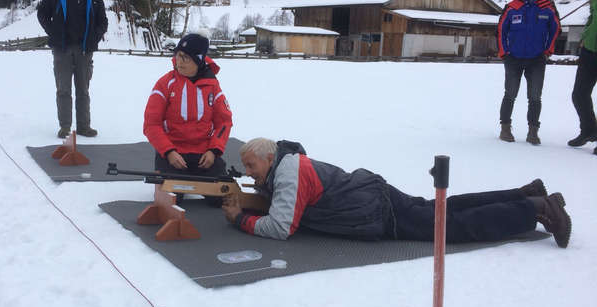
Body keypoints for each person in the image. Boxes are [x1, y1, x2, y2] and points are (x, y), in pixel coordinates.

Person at [221, 138, 572, 248]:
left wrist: (242, 220)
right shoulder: (285, 164)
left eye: (251, 166)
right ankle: (525, 193)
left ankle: (537, 209)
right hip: (373, 195)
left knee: (451, 228)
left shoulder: (288, 174)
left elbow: (282, 228)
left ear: (270, 158)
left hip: (373, 210)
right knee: (442, 209)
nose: (249, 172)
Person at [143, 33, 234, 203]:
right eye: (178, 55)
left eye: (185, 58)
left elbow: (224, 122)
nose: (179, 61)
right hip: (173, 155)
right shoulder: (165, 83)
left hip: (203, 156)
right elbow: (151, 124)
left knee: (221, 198)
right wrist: (169, 152)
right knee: (172, 198)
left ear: (199, 60)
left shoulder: (213, 87)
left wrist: (213, 151)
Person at [37, 0, 108, 138]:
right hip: (61, 50)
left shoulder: (95, 1)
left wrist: (94, 38)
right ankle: (65, 127)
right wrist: (53, 32)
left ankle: (84, 127)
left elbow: (103, 22)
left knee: (83, 90)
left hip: (85, 51)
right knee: (63, 89)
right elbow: (42, 14)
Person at [497, 0, 560, 144]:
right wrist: (504, 53)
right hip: (513, 58)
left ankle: (533, 132)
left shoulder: (547, 7)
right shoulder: (512, 7)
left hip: (537, 60)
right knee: (510, 94)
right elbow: (501, 30)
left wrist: (548, 51)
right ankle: (505, 128)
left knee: (535, 97)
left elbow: (555, 29)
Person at [568, 0, 597, 155]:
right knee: (579, 94)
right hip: (589, 50)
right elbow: (593, 16)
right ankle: (589, 130)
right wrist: (586, 35)